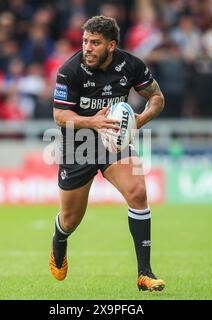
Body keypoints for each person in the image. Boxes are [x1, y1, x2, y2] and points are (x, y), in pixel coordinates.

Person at [49, 16, 165, 291]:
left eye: (95, 43)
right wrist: (93, 122)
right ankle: (59, 240)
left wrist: (139, 120)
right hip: (78, 144)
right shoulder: (70, 70)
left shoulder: (131, 65)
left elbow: (157, 98)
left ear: (111, 45)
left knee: (137, 192)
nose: (87, 48)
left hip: (114, 140)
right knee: (71, 219)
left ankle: (144, 274)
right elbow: (59, 115)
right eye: (85, 41)